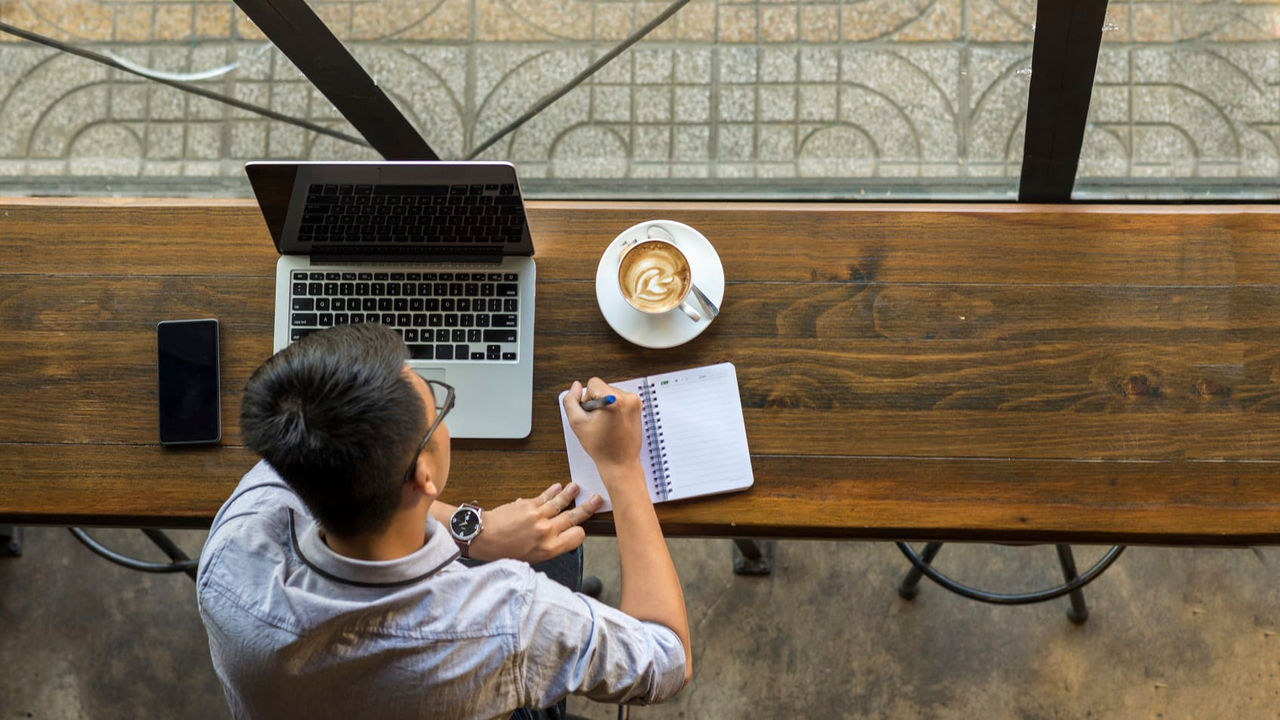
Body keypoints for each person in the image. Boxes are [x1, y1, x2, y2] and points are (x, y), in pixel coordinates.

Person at [196, 323, 691, 719]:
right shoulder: (509, 617)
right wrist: (622, 468)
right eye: (438, 404)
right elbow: (667, 661)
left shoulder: (233, 548)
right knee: (564, 558)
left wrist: (475, 531)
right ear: (424, 474)